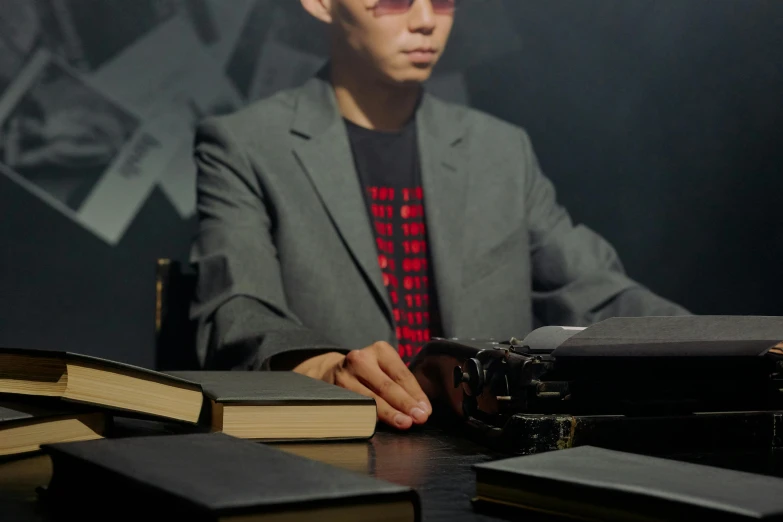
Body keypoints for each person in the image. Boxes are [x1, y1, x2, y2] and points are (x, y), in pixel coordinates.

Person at [190, 0, 689, 430]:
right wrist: (321, 367)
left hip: (492, 449)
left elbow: (594, 291)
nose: (426, 20)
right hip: (341, 451)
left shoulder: (499, 150)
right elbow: (236, 307)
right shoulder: (246, 146)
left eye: (445, 0)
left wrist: (723, 343)